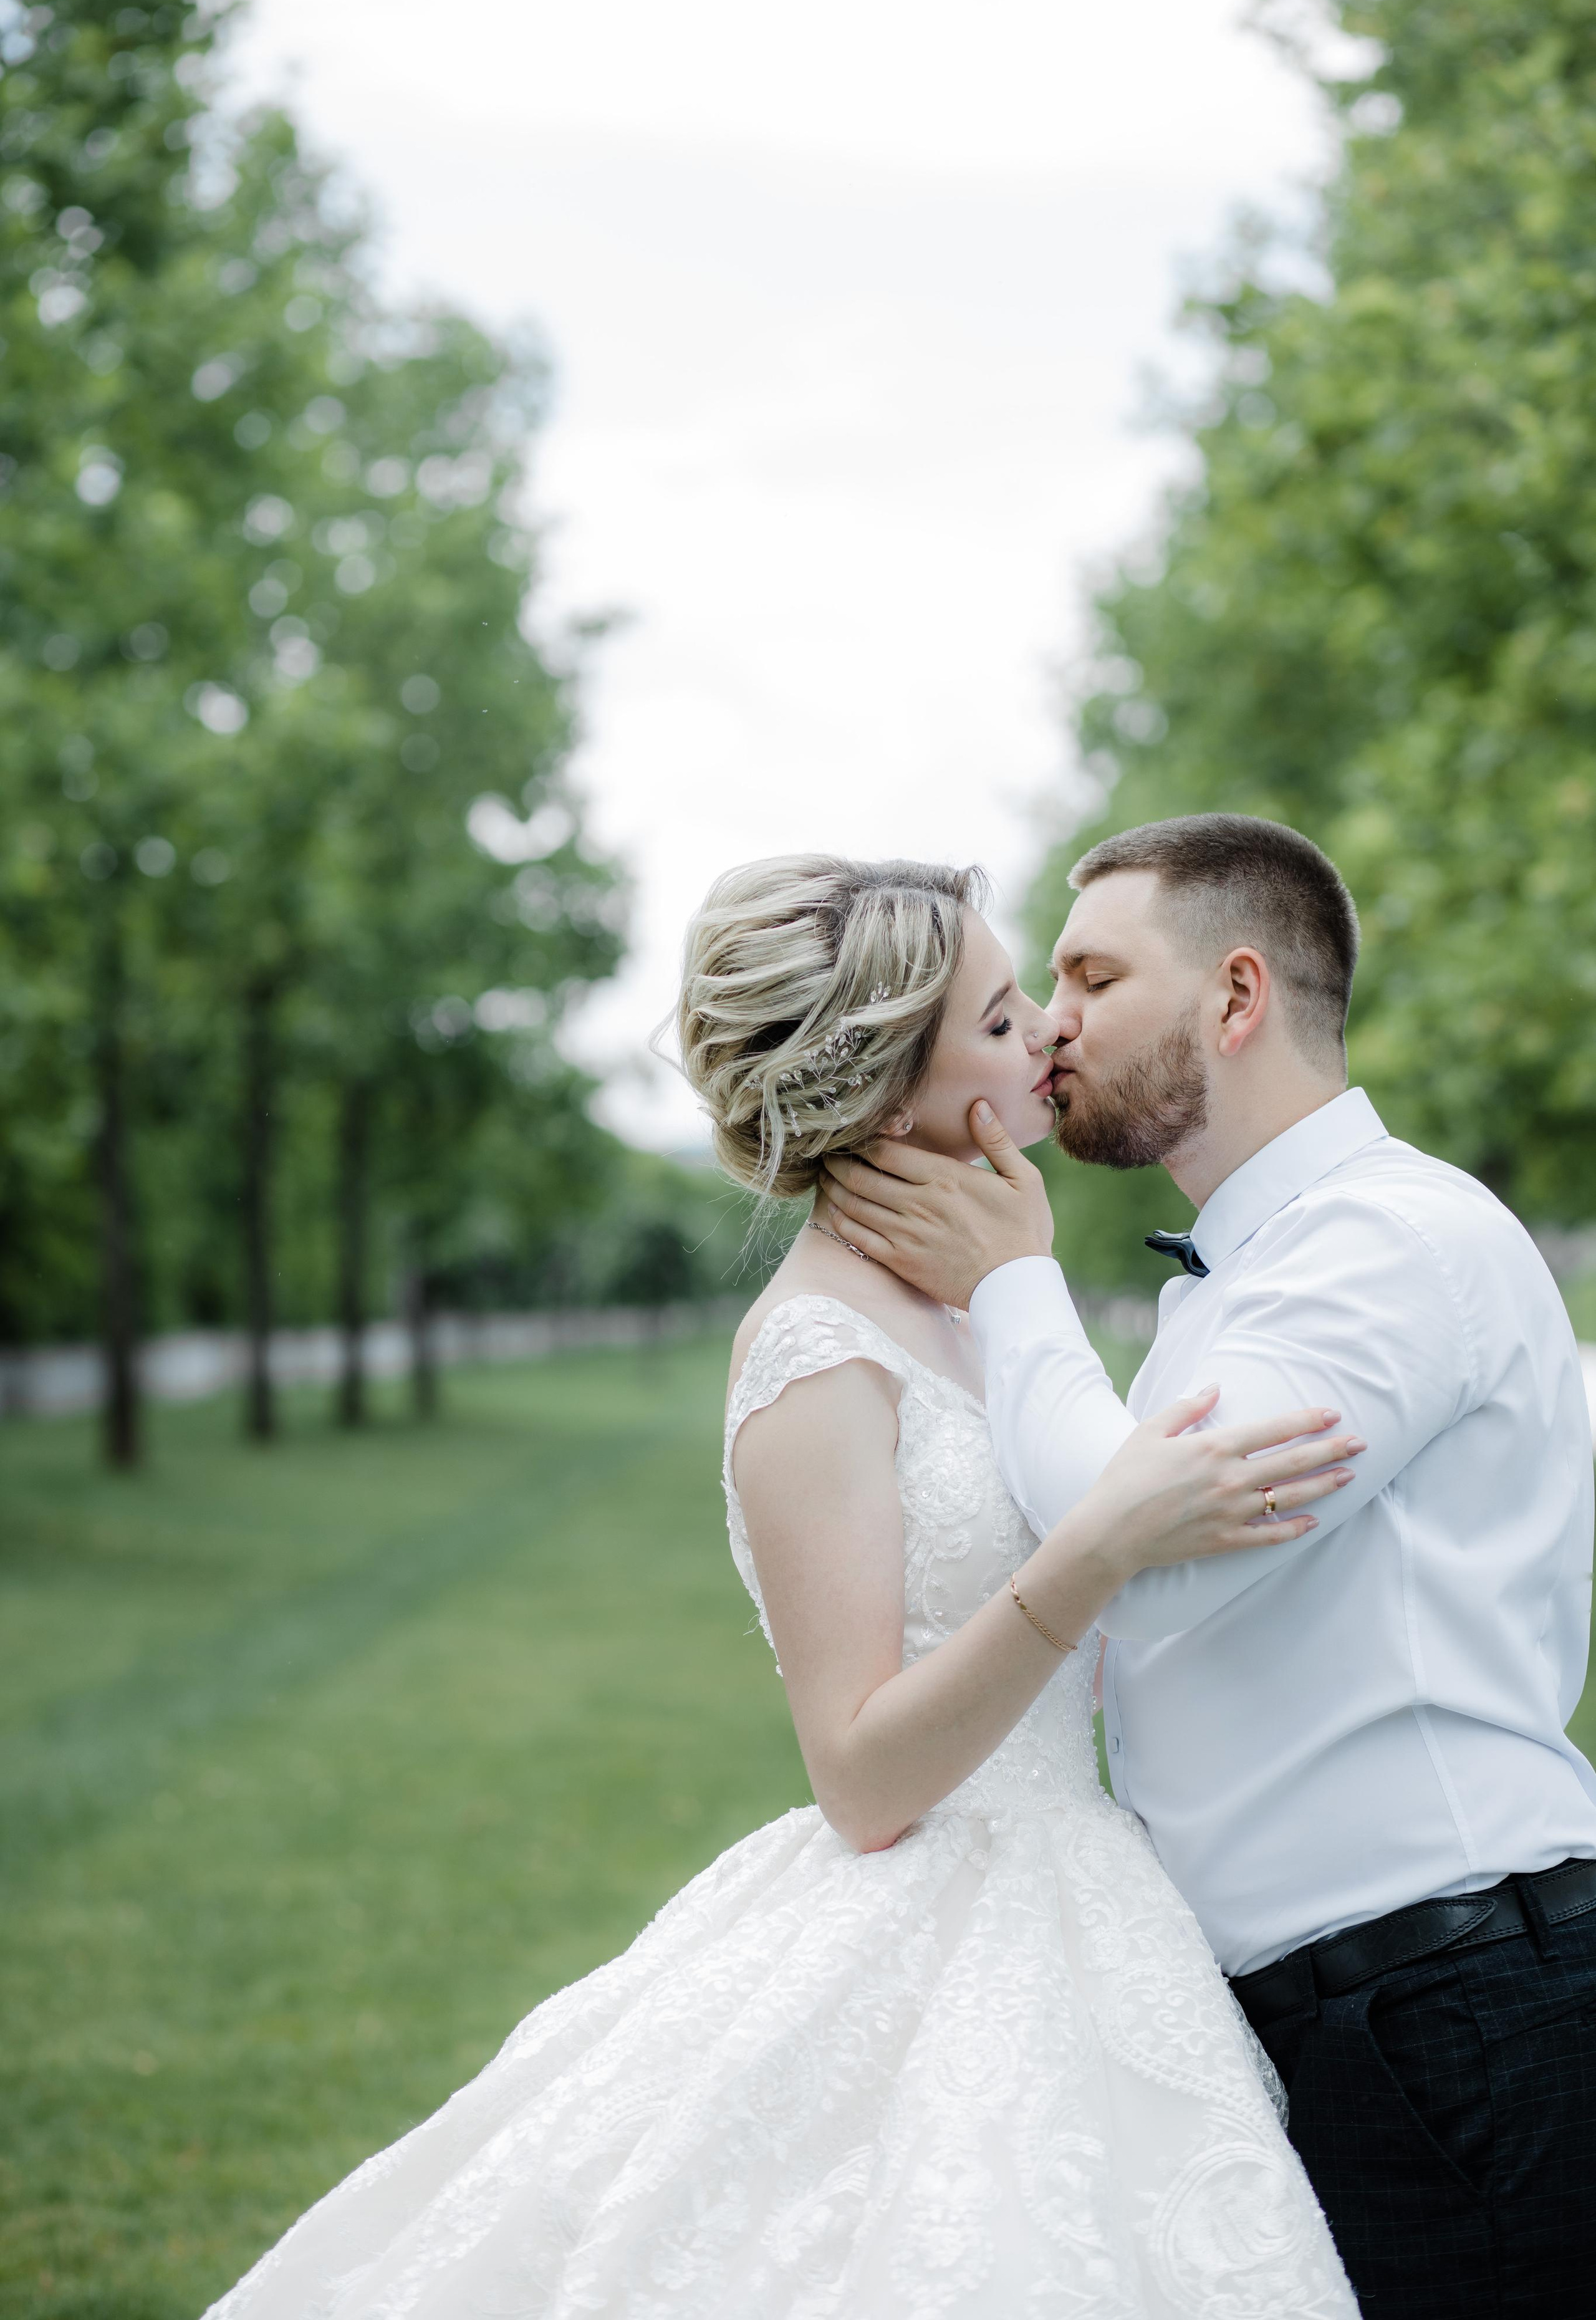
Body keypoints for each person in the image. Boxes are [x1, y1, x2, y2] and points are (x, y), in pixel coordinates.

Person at [201, 854, 1360, 2320]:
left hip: (1091, 1889)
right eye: (1002, 1022)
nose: (1049, 1038)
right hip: (936, 1915)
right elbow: (861, 1774)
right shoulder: (816, 1352)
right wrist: (1093, 1556)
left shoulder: (975, 1304)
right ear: (888, 1096)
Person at [821, 814, 1596, 2319]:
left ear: (1233, 999)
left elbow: (1149, 1566)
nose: (1046, 1025)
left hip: (1449, 2002)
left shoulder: (1386, 1247)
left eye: (1090, 977)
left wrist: (1010, 1286)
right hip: (1346, 2011)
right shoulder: (1248, 1276)